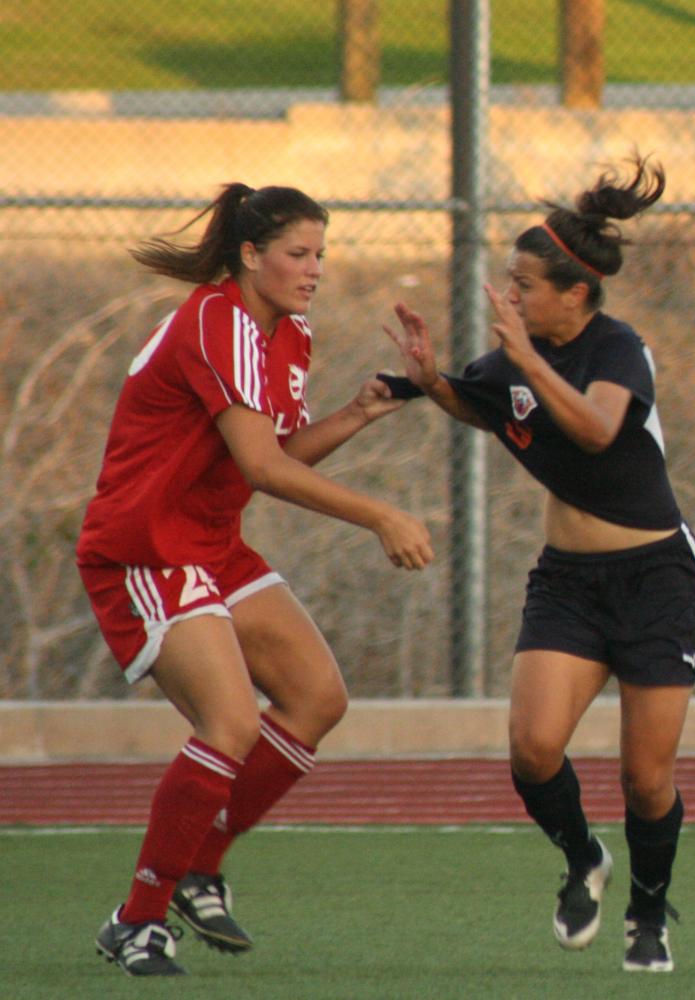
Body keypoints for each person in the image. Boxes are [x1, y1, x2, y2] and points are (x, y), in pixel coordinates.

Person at [77, 183, 434, 977]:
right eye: (297, 254)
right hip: (146, 546)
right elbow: (263, 468)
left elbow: (275, 455)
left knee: (316, 699)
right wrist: (380, 515)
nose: (313, 270)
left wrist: (358, 411)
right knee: (230, 725)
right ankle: (137, 922)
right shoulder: (218, 320)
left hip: (208, 540)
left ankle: (199, 864)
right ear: (249, 255)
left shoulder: (288, 333)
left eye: (321, 255)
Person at [383, 153, 695, 974]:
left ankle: (647, 909)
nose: (510, 294)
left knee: (645, 777)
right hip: (568, 582)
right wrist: (431, 379)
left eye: (524, 283)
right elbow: (480, 403)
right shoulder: (513, 360)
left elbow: (598, 430)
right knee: (531, 750)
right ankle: (583, 861)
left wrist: (526, 363)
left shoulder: (618, 349)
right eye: (510, 279)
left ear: (575, 294)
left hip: (657, 581)